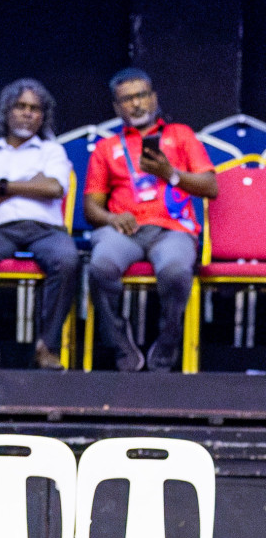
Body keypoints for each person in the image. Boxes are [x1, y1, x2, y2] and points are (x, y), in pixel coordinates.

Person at [85, 67, 216, 372]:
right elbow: (91, 208)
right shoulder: (107, 148)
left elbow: (211, 187)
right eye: (127, 99)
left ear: (154, 97)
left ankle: (166, 347)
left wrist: (169, 174)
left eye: (142, 95)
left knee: (175, 271)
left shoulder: (180, 135)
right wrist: (112, 218)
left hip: (172, 230)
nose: (137, 103)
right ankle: (122, 348)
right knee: (99, 266)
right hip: (124, 230)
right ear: (118, 107)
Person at [0, 79, 77, 370]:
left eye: (35, 109)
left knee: (69, 260)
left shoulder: (52, 151)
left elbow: (53, 189)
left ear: (43, 115)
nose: (27, 113)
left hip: (46, 229)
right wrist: (28, 184)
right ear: (7, 111)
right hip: (0, 230)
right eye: (21, 106)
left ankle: (46, 346)